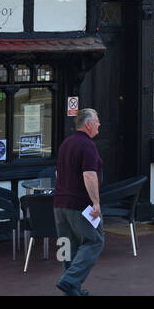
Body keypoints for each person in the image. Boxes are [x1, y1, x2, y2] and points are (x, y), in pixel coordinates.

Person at [53, 107, 103, 296]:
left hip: (59, 203)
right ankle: (69, 281)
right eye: (97, 121)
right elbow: (89, 175)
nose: (99, 124)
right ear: (88, 124)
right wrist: (95, 203)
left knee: (66, 244)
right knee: (95, 240)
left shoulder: (66, 143)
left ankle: (71, 289)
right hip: (80, 204)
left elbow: (58, 173)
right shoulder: (88, 145)